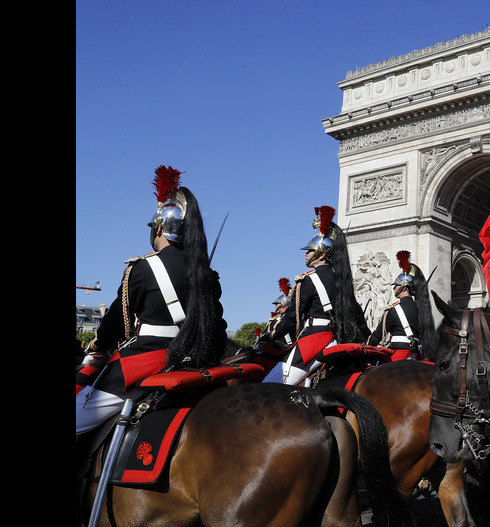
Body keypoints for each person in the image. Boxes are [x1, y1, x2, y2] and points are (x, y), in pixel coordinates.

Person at [76, 166, 227, 437]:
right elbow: (218, 326)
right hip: (197, 362)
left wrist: (98, 346)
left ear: (159, 229)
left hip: (147, 359)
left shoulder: (143, 268)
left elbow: (116, 325)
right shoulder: (209, 273)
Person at [261, 205, 369, 386]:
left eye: (309, 250)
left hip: (315, 339)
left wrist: (270, 335)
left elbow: (291, 318)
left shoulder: (308, 280)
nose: (306, 254)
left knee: (269, 387)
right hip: (338, 339)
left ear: (321, 254)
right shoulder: (342, 281)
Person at [367, 251, 437, 361]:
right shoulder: (422, 310)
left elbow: (377, 336)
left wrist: (366, 346)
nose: (393, 288)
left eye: (396, 286)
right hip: (417, 356)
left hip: (397, 355)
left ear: (404, 288)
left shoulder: (393, 310)